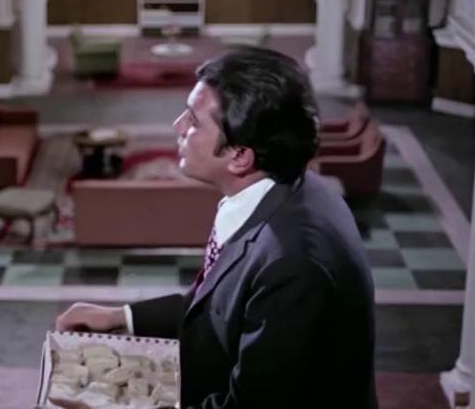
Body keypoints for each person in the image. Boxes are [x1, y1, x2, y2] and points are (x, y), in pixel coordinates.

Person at [56, 46, 378, 409]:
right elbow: (217, 308)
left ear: (239, 156)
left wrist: (112, 405)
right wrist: (119, 318)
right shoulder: (280, 191)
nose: (178, 126)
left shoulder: (294, 263)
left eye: (193, 121)